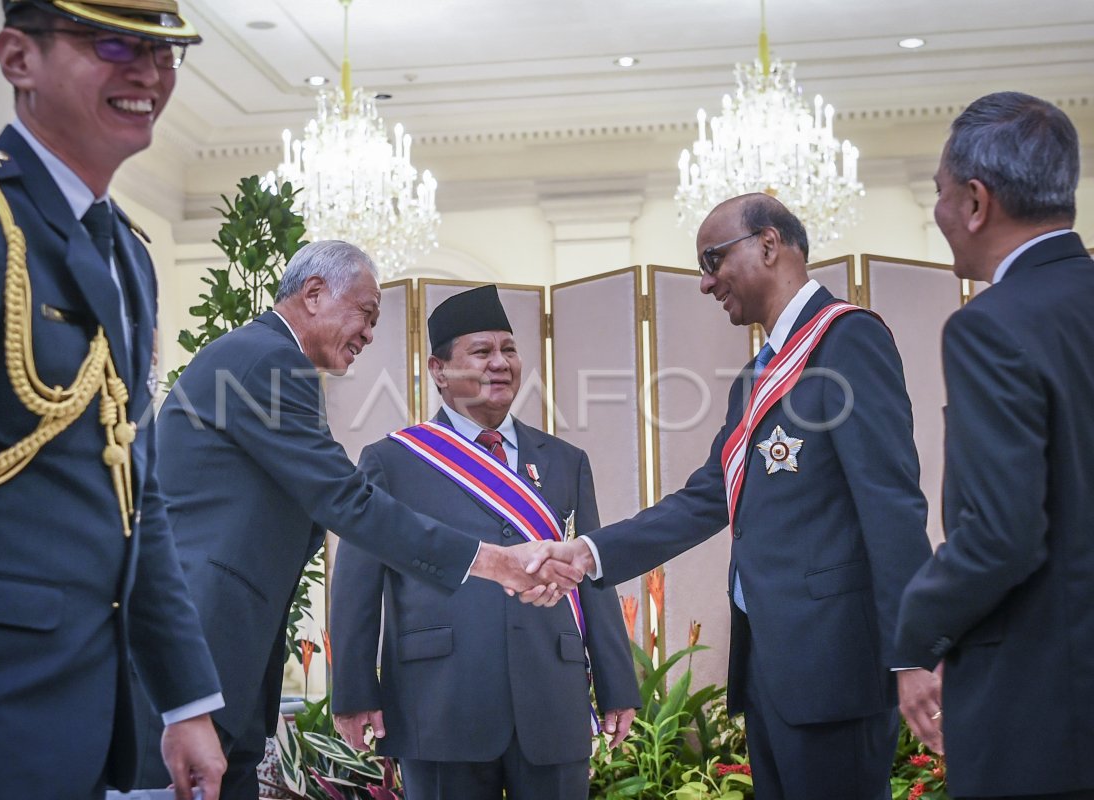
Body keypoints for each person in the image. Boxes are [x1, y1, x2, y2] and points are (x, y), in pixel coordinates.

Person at [0, 2, 226, 798]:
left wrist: (184, 699)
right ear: (18, 58)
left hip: (84, 717)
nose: (147, 72)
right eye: (111, 43)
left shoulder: (128, 252)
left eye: (164, 50)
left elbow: (134, 492)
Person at [136, 243, 581, 799]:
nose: (370, 333)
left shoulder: (262, 358)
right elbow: (347, 501)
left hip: (225, 644)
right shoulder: (268, 360)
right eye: (366, 313)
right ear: (314, 293)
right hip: (203, 639)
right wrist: (492, 561)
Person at [534, 194, 936, 799]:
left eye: (712, 259)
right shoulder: (756, 376)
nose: (705, 283)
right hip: (771, 665)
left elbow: (891, 502)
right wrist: (589, 552)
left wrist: (914, 651)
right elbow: (708, 497)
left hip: (837, 666)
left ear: (768, 245)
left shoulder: (848, 341)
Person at [328, 285, 640, 800]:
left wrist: (616, 683)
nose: (500, 363)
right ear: (439, 370)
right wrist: (354, 691)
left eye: (509, 349)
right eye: (481, 351)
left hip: (552, 696)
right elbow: (357, 584)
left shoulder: (565, 461)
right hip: (440, 702)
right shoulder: (393, 462)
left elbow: (590, 574)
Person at [896, 92, 1094, 800]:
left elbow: (1002, 536)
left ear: (976, 202)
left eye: (939, 192)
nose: (939, 211)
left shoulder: (991, 326)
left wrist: (916, 633)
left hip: (1043, 711)